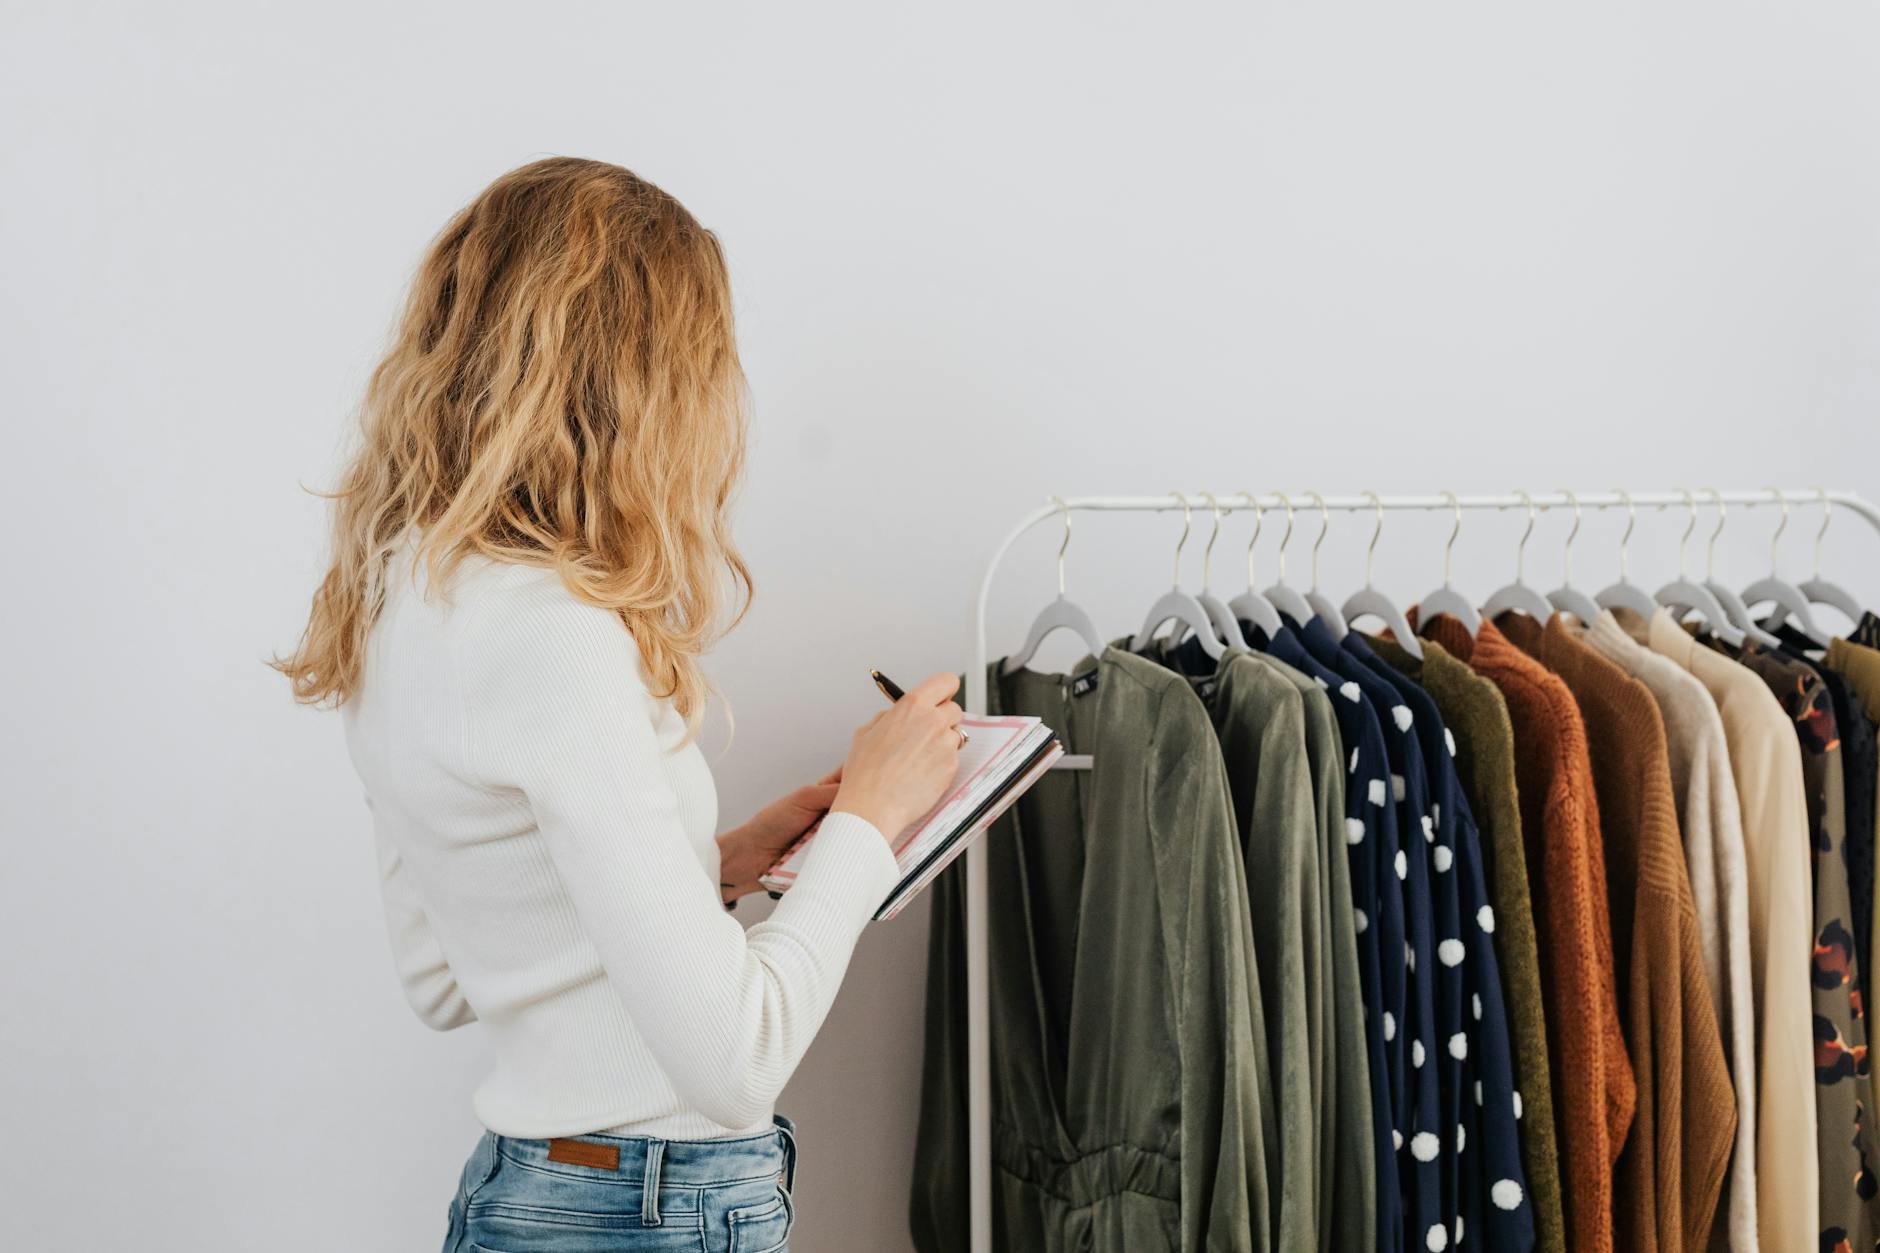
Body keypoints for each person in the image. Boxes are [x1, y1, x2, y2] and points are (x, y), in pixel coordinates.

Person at [274, 156, 963, 1253]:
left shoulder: (396, 596)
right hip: (636, 1213)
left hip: (530, 1198)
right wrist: (867, 826)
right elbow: (739, 1058)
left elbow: (450, 972)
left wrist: (726, 859)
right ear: (645, 384)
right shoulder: (552, 633)